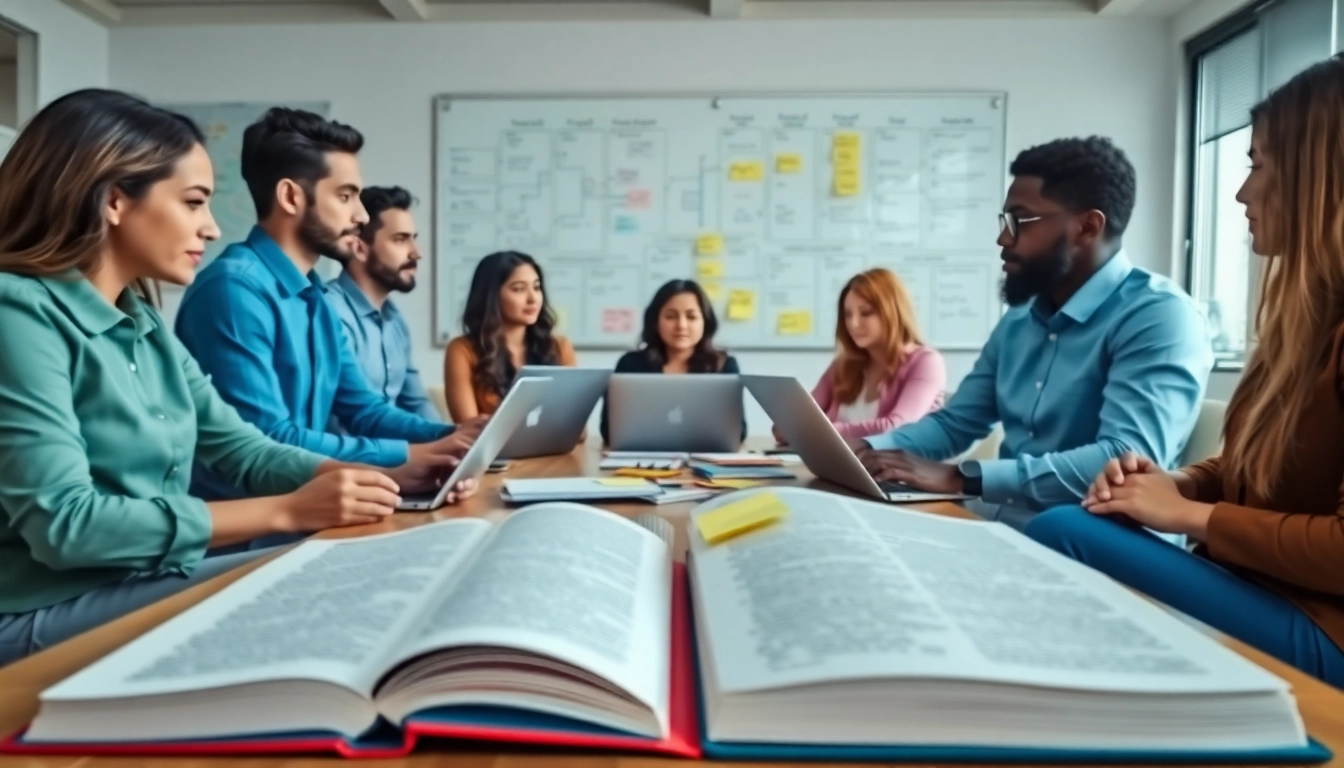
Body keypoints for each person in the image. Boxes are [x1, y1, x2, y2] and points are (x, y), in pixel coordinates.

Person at [0, 90, 407, 666]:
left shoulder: (140, 319)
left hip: (136, 580)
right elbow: (67, 524)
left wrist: (360, 476)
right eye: (194, 203)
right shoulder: (16, 314)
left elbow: (240, 446)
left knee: (346, 580)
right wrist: (287, 511)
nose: (212, 228)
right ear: (115, 200)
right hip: (34, 612)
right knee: (312, 597)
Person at [1026, 56, 1344, 686]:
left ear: (1318, 178)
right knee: (1078, 523)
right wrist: (1176, 483)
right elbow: (1259, 469)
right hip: (1261, 588)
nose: (1242, 192)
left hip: (1325, 628)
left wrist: (1190, 517)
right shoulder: (1304, 329)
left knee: (1062, 531)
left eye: (1258, 166)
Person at [853, 136, 1212, 528]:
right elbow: (954, 424)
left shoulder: (1160, 317)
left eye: (1019, 222)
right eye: (1003, 222)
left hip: (1093, 543)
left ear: (1087, 227)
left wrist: (963, 477)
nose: (1003, 239)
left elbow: (1124, 460)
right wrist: (863, 451)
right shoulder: (1020, 318)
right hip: (1000, 524)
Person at [175, 107, 477, 504]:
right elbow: (270, 439)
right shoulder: (234, 292)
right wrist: (406, 457)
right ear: (290, 197)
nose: (361, 215)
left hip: (314, 516)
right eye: (345, 196)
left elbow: (362, 409)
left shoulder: (314, 294)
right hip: (249, 535)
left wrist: (453, 437)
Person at [324, 185, 440, 424]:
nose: (416, 253)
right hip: (355, 458)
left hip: (397, 454)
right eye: (401, 240)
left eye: (413, 240)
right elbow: (341, 419)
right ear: (359, 248)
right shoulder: (330, 311)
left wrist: (453, 442)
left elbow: (415, 402)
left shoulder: (395, 319)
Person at [791, 268, 944, 441]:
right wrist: (789, 426)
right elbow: (800, 422)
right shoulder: (843, 365)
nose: (854, 324)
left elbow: (896, 427)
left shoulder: (926, 362)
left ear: (892, 312)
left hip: (897, 466)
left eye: (866, 313)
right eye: (848, 315)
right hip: (839, 464)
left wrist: (825, 431)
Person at [600, 279, 744, 444]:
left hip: (704, 459)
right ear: (655, 321)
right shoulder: (630, 364)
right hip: (643, 460)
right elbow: (609, 430)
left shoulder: (724, 366)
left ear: (705, 322)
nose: (681, 325)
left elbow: (738, 432)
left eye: (691, 317)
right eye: (670, 316)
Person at [443, 251, 576, 422]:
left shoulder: (559, 346)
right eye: (519, 289)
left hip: (555, 449)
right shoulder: (462, 349)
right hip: (493, 449)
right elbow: (469, 429)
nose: (533, 298)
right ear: (491, 296)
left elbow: (576, 428)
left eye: (536, 287)